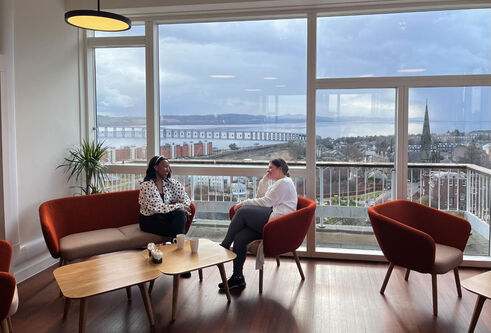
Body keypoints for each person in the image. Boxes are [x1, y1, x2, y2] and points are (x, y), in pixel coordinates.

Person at [219, 158, 298, 290]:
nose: (268, 170)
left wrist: (243, 203)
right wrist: (265, 180)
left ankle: (225, 245)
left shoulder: (283, 182)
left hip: (278, 224)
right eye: (268, 167)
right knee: (240, 237)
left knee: (243, 211)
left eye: (271, 167)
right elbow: (262, 197)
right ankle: (238, 278)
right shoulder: (280, 183)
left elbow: (266, 202)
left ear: (280, 169)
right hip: (273, 219)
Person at [138, 156, 192, 238]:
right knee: (177, 227)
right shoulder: (146, 186)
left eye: (169, 167)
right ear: (156, 167)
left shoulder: (169, 183)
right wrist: (181, 206)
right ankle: (178, 245)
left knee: (180, 213)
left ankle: (177, 245)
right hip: (150, 220)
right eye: (165, 167)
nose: (168, 170)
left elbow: (184, 196)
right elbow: (158, 207)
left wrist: (184, 206)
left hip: (163, 216)